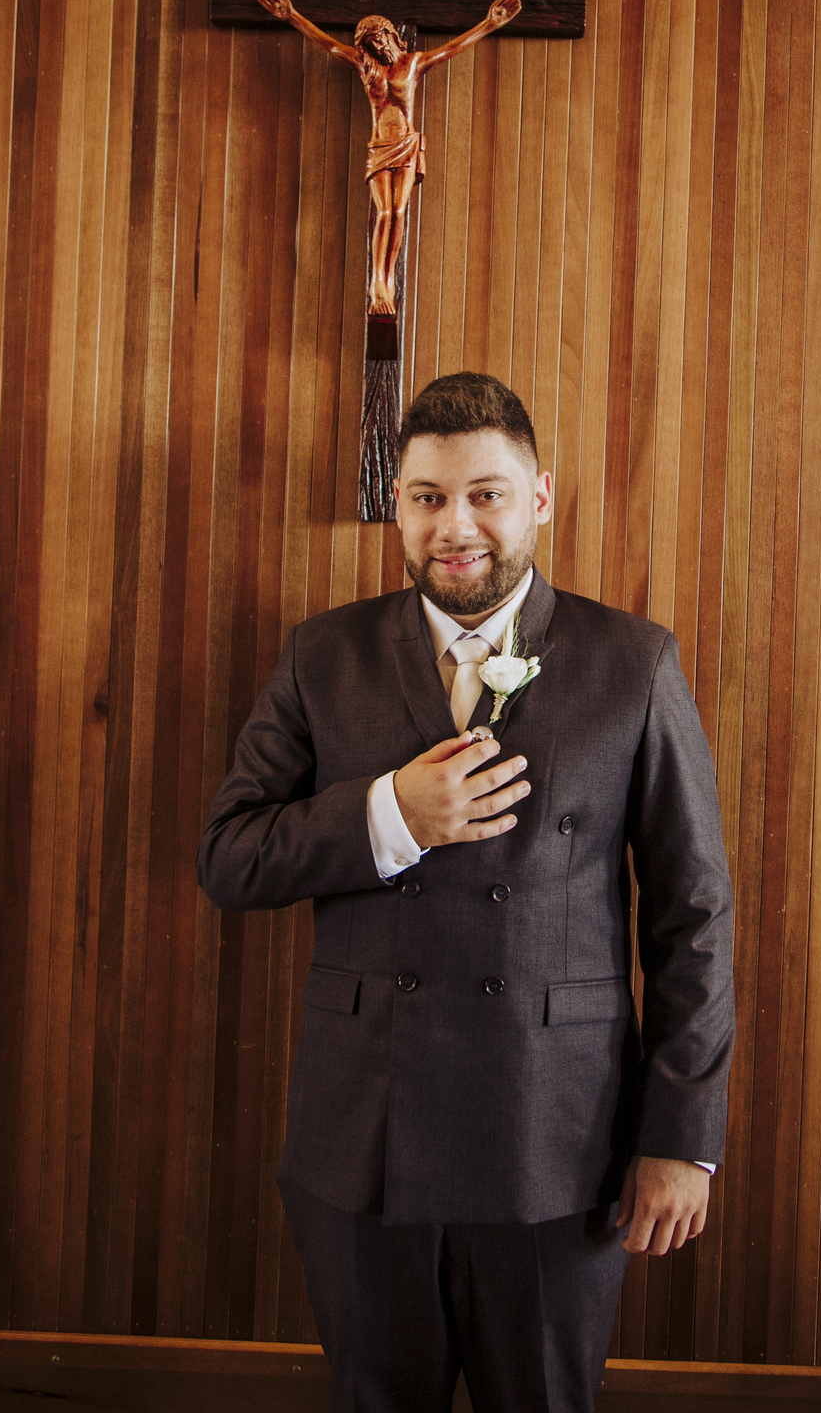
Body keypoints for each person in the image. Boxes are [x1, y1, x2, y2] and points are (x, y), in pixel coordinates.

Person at [198, 373, 735, 1413]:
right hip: (361, 1140)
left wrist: (681, 1136)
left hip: (559, 1141)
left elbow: (694, 918)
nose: (457, 527)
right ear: (397, 506)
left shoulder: (633, 663)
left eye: (486, 494)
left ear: (540, 497)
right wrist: (389, 813)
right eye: (429, 498)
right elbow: (229, 857)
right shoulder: (323, 655)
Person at [258, 0, 521, 317]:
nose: (378, 45)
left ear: (393, 36)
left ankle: (388, 279)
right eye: (371, 42)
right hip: (379, 146)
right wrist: (292, 16)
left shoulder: (414, 63)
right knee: (384, 212)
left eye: (381, 37)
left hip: (406, 145)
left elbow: (451, 49)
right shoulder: (364, 65)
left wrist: (489, 25)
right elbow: (329, 45)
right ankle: (377, 283)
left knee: (398, 211)